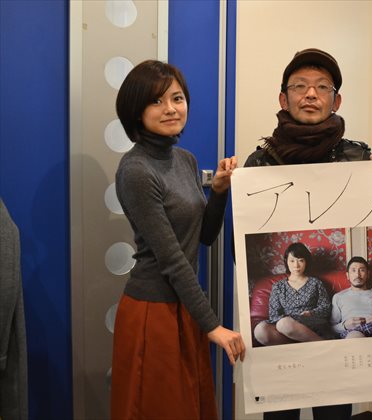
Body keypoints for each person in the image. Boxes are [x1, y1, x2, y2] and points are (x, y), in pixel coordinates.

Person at [111, 60, 245, 420]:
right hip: (152, 311)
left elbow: (204, 237)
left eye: (177, 98)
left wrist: (219, 192)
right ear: (136, 111)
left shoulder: (184, 159)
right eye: (156, 101)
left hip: (184, 306)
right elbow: (171, 258)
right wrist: (213, 325)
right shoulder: (136, 170)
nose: (170, 109)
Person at [244, 48, 371, 420]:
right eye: (300, 86)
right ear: (283, 99)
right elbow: (241, 251)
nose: (311, 94)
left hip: (323, 348)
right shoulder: (259, 163)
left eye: (322, 87)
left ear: (336, 100)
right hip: (283, 356)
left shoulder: (359, 160)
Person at [254, 242, 333, 345]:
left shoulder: (315, 283)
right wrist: (289, 319)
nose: (296, 265)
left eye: (301, 260)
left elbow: (326, 307)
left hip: (311, 324)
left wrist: (310, 313)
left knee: (284, 324)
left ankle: (321, 344)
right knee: (260, 330)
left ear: (306, 262)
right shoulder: (278, 286)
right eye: (292, 261)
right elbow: (274, 315)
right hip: (285, 328)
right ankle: (298, 344)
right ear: (286, 262)